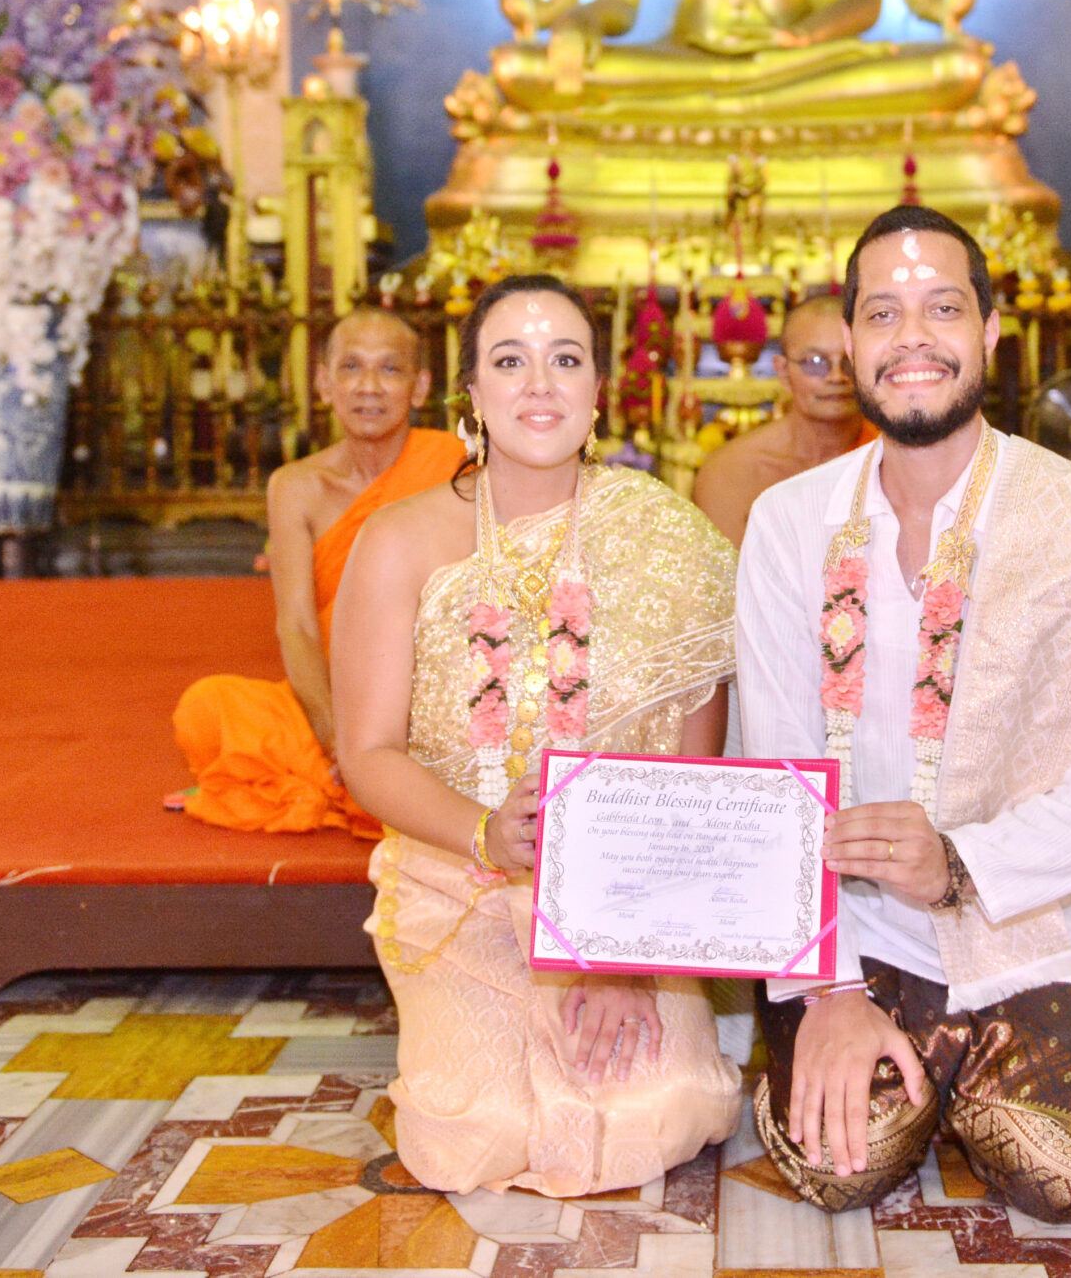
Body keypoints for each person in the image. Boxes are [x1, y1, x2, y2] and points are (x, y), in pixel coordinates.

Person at [735, 205, 1071, 1222]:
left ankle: (968, 1070)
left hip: (1027, 914)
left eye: (942, 308)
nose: (911, 339)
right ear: (848, 340)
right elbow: (771, 766)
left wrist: (962, 864)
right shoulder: (787, 524)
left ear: (989, 332)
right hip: (845, 927)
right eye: (882, 313)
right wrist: (830, 994)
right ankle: (884, 1047)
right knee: (837, 1169)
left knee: (1057, 1172)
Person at [334, 275, 743, 1197]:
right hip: (461, 879)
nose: (539, 385)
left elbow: (696, 776)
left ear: (600, 390)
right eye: (509, 362)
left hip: (628, 901)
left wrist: (622, 953)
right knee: (474, 1134)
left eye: (565, 360)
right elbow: (366, 750)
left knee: (659, 1109)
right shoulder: (399, 540)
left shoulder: (667, 538)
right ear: (470, 395)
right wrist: (487, 833)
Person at [170, 309, 465, 835]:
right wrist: (340, 739)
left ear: (419, 388)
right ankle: (357, 780)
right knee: (205, 709)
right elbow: (297, 627)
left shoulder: (457, 468)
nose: (368, 387)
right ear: (325, 385)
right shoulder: (295, 486)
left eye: (390, 370)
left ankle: (360, 784)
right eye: (351, 368)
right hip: (335, 698)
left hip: (434, 698)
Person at [692, 296, 872, 547]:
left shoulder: (895, 457)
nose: (836, 376)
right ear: (783, 372)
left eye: (850, 361)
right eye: (815, 362)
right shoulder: (733, 472)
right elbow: (728, 581)